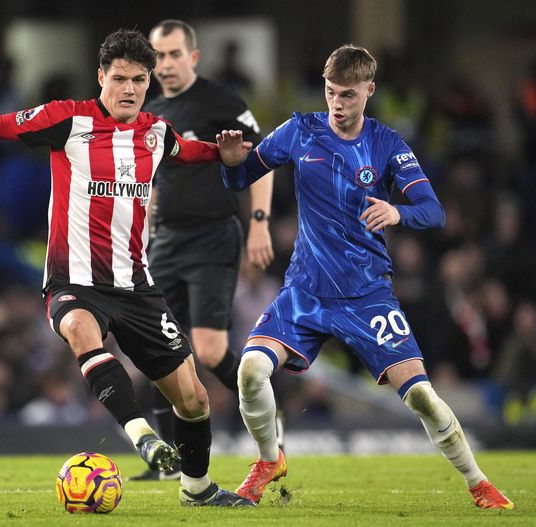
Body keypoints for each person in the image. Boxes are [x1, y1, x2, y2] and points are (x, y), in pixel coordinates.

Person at [0, 29, 254, 507]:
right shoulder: (68, 120)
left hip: (137, 285)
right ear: (101, 77)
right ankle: (142, 436)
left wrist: (220, 153)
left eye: (140, 80)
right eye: (121, 78)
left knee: (194, 400)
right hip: (74, 280)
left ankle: (197, 489)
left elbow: (185, 152)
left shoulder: (155, 131)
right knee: (81, 330)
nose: (130, 89)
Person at [215, 44, 514, 509]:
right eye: (331, 92)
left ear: (369, 91)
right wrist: (232, 162)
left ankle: (479, 483)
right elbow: (239, 179)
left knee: (421, 398)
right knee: (251, 370)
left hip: (367, 294)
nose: (337, 103)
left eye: (348, 95)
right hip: (306, 290)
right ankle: (269, 459)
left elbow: (433, 212)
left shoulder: (387, 144)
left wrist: (398, 211)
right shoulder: (300, 130)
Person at [130, 19, 276, 481]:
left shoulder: (220, 101)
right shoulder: (148, 108)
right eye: (160, 57)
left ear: (192, 57)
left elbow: (262, 160)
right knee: (159, 351)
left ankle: (271, 431)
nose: (167, 64)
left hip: (214, 235)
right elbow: (148, 181)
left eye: (175, 54)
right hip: (165, 241)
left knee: (210, 352)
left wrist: (258, 223)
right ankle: (168, 466)